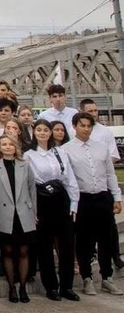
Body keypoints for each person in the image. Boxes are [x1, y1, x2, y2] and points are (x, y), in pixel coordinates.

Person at [60, 112, 123, 296]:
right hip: (82, 199)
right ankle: (87, 277)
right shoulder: (66, 150)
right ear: (75, 126)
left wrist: (117, 197)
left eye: (89, 126)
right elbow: (67, 179)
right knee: (84, 240)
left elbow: (110, 174)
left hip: (102, 197)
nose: (86, 129)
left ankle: (107, 278)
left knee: (106, 238)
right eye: (82, 125)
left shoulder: (101, 147)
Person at [27, 118, 80, 301]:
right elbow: (29, 185)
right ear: (34, 132)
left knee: (66, 245)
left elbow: (70, 179)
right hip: (42, 201)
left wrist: (74, 204)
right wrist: (32, 211)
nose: (43, 133)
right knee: (45, 247)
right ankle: (51, 286)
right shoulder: (29, 155)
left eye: (46, 130)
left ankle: (67, 286)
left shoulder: (60, 152)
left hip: (61, 200)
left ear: (51, 133)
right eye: (39, 130)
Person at [0, 128, 37, 303]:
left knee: (23, 250)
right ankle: (11, 287)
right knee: (7, 250)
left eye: (10, 145)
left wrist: (33, 212)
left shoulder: (25, 165)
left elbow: (32, 190)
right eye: (4, 144)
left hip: (23, 213)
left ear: (16, 147)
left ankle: (22, 287)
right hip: (4, 214)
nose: (7, 147)